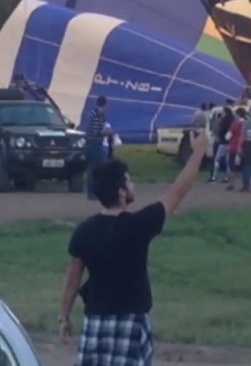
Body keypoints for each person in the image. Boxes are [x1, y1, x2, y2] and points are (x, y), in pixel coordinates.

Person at [58, 125, 211, 365]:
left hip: (96, 322)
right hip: (132, 322)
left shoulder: (84, 231)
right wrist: (198, 152)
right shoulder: (138, 225)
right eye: (129, 181)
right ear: (121, 192)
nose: (133, 185)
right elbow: (178, 191)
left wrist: (64, 316)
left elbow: (72, 280)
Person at [84, 97, 113, 201]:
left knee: (92, 169)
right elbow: (96, 132)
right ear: (104, 104)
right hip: (95, 144)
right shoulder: (98, 116)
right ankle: (93, 192)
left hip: (90, 144)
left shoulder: (93, 114)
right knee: (96, 170)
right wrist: (107, 132)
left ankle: (91, 192)